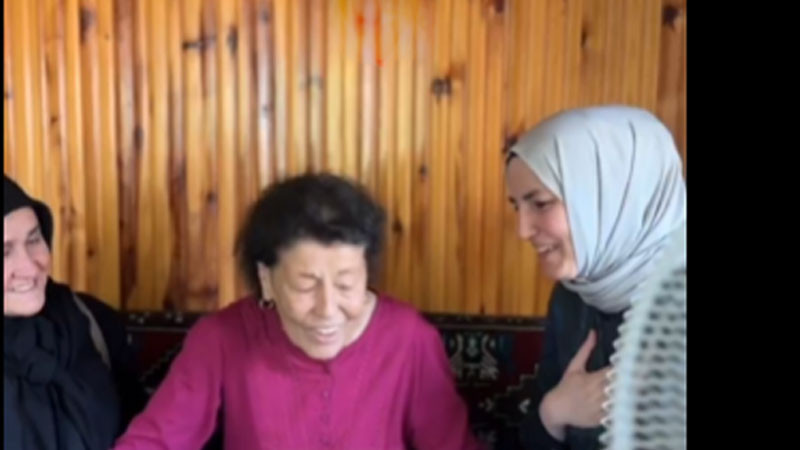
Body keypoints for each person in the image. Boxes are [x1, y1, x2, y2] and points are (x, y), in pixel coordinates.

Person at [114, 173, 481, 449]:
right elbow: (154, 442)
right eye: (305, 286)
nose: (327, 309)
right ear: (266, 279)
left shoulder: (409, 339)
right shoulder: (222, 339)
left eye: (346, 284)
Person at [504, 106, 686, 450]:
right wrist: (554, 411)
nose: (522, 230)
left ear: (614, 196)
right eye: (516, 206)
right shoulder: (572, 297)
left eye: (540, 203)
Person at [4, 175, 146, 449]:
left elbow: (144, 432)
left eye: (34, 240)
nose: (30, 267)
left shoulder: (90, 320)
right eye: (4, 252)